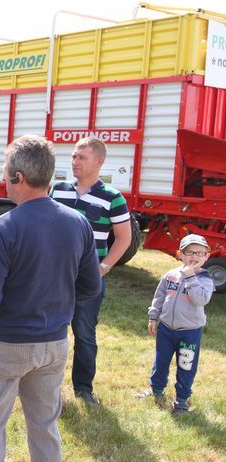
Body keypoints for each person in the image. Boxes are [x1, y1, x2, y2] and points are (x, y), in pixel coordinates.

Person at [0, 135, 100, 462]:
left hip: (3, 345)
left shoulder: (2, 228)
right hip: (53, 345)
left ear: (17, 178)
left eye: (5, 171)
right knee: (44, 427)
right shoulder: (78, 223)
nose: (3, 178)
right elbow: (90, 287)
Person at [50, 136, 132, 406]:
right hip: (55, 278)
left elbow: (123, 239)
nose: (75, 161)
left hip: (88, 281)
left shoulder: (113, 198)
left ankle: (83, 389)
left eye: (81, 157)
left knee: (84, 334)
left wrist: (104, 267)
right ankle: (47, 387)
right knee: (50, 332)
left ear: (99, 161)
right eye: (74, 156)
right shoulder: (58, 190)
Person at [135, 234, 214, 414]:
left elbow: (200, 299)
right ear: (180, 254)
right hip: (166, 329)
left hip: (189, 331)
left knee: (186, 365)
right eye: (190, 252)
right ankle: (156, 389)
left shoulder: (204, 279)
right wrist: (153, 317)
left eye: (200, 253)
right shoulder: (170, 275)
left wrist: (190, 277)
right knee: (160, 361)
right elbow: (160, 297)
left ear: (206, 257)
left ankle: (181, 400)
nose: (194, 256)